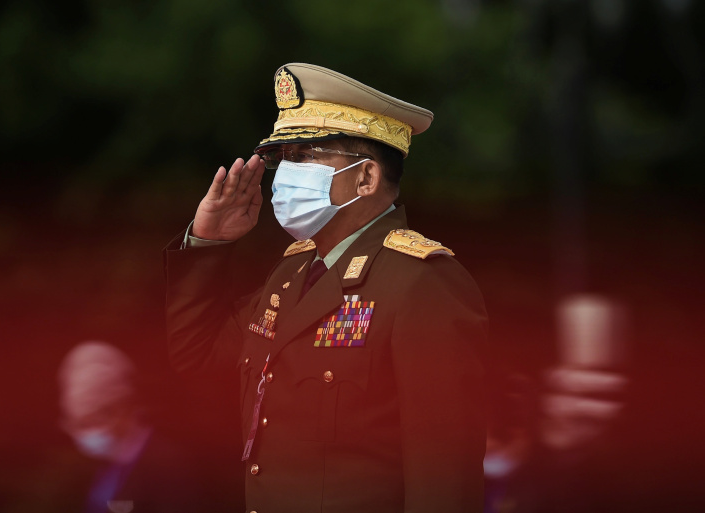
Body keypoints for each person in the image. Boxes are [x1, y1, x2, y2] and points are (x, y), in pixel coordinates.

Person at [164, 63, 489, 512]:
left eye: (306, 156)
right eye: (284, 158)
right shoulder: (293, 272)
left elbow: (444, 480)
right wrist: (207, 244)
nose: (286, 173)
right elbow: (199, 359)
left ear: (366, 178)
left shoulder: (423, 282)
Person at [58, 341, 201, 513]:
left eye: (88, 423)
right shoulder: (107, 465)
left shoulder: (167, 467)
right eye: (77, 424)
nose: (84, 434)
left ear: (120, 410)